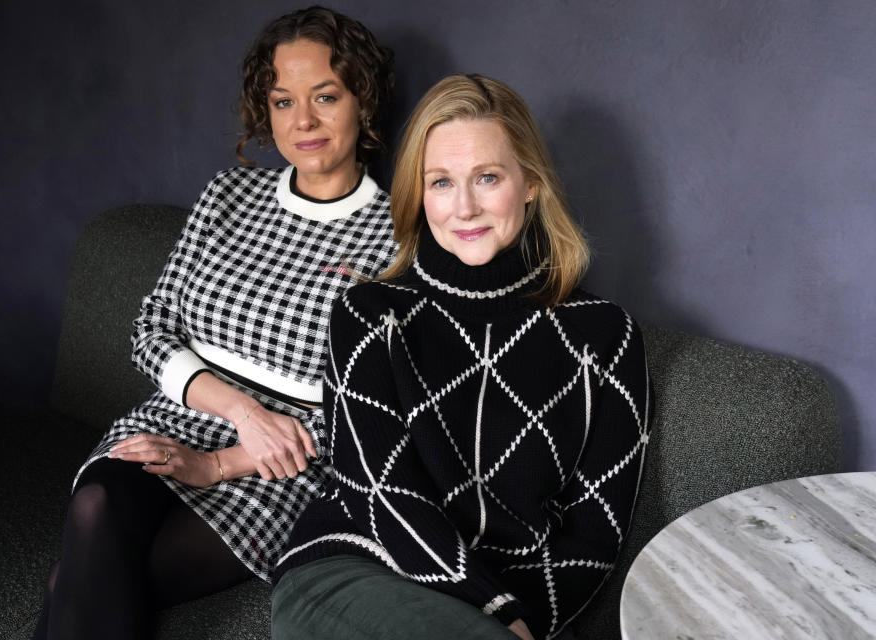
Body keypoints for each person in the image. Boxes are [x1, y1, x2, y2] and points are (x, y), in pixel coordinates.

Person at [32, 7, 396, 639]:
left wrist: (225, 459)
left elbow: (369, 414)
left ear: (362, 102)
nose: (303, 121)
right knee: (97, 504)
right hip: (176, 415)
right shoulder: (227, 196)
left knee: (78, 579)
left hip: (280, 467)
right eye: (283, 101)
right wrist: (239, 412)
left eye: (325, 97)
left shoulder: (398, 237)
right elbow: (150, 329)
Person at [271, 74, 652, 640]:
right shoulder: (370, 314)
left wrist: (523, 619)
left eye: (488, 177)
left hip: (506, 605)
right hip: (356, 569)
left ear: (529, 184)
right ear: (419, 195)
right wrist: (498, 610)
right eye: (441, 183)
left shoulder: (605, 336)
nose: (465, 207)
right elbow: (380, 494)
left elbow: (595, 535)